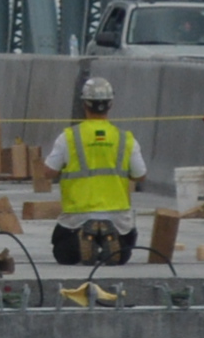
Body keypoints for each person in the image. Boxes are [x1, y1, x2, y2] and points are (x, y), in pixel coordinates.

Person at [45, 75, 145, 298]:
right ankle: (109, 242)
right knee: (123, 255)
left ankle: (84, 238)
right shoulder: (126, 139)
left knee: (63, 254)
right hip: (119, 218)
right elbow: (140, 174)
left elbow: (48, 171)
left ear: (84, 105)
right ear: (110, 104)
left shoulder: (69, 137)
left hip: (76, 218)